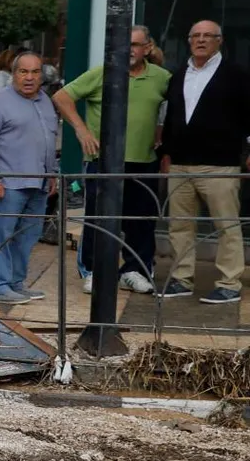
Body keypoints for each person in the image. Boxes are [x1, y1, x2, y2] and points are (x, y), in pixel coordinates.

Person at [55, 25, 170, 295]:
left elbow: (177, 104)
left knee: (141, 220)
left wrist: (161, 132)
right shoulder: (103, 73)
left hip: (144, 161)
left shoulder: (162, 77)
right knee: (98, 218)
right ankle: (94, 271)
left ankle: (134, 270)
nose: (129, 49)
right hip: (103, 161)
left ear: (147, 48)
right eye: (123, 44)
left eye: (135, 44)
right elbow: (61, 97)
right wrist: (81, 130)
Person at [160, 19, 250, 304]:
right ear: (188, 40)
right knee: (180, 226)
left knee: (227, 226)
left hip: (220, 165)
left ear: (219, 40)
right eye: (195, 36)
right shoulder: (177, 75)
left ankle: (229, 283)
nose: (201, 40)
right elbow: (171, 118)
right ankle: (181, 279)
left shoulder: (236, 76)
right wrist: (166, 153)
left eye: (207, 36)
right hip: (180, 165)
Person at [0, 50, 59, 305]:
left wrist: (51, 173)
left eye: (35, 72)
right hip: (8, 184)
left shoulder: (45, 100)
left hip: (39, 182)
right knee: (2, 235)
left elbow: (49, 139)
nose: (29, 77)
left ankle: (16, 284)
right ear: (14, 74)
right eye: (23, 71)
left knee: (28, 236)